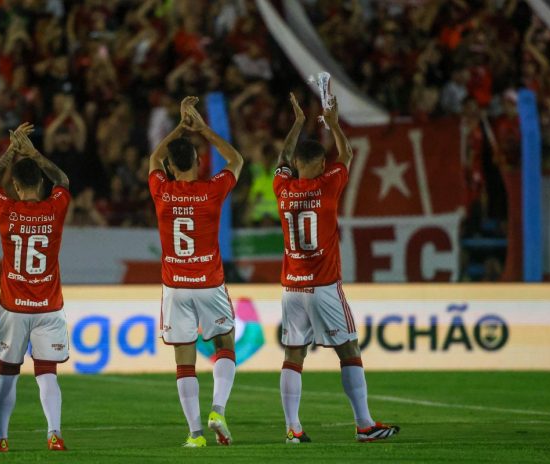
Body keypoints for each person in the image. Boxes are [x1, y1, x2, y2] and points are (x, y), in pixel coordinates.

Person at [273, 93, 400, 443]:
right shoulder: (328, 185)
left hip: (291, 287)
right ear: (319, 163)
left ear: (298, 163)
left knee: (293, 354)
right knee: (349, 350)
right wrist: (334, 123)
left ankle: (293, 428)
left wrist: (298, 124)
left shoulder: (282, 188)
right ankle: (364, 424)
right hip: (324, 285)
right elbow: (347, 154)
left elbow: (282, 158)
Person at [148, 96, 244, 448]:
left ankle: (194, 434)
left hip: (175, 286)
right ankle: (218, 408)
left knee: (184, 360)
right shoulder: (211, 191)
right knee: (224, 344)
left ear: (171, 169)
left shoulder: (162, 190)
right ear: (201, 162)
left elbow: (153, 159)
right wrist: (204, 129)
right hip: (209, 283)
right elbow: (236, 160)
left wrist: (179, 124)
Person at [0, 122, 71, 452]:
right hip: (49, 307)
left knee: (7, 373)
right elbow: (63, 180)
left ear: (17, 188)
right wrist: (35, 153)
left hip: (15, 307)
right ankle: (54, 434)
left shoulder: (7, 210)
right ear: (41, 185)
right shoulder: (55, 207)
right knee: (47, 372)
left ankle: (1, 438)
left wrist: (11, 151)